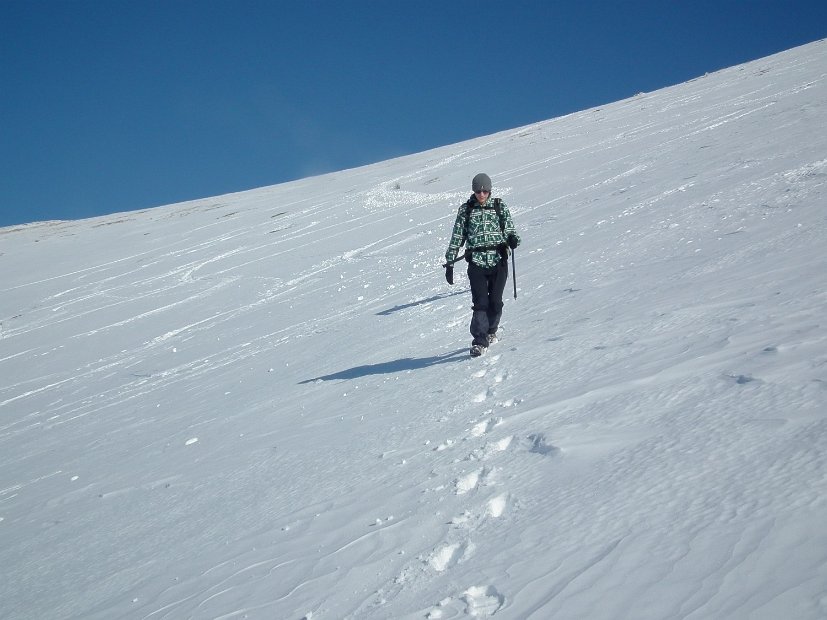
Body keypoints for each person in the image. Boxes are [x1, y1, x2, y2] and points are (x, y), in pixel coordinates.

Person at [443, 173, 521, 357]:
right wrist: (450, 263)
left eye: (485, 190)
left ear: (490, 190)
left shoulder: (499, 206)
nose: (482, 194)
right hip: (476, 261)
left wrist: (512, 238)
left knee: (495, 302)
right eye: (478, 191)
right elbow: (457, 237)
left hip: (498, 259)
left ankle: (492, 329)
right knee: (480, 303)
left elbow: (510, 228)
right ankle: (479, 340)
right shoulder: (466, 210)